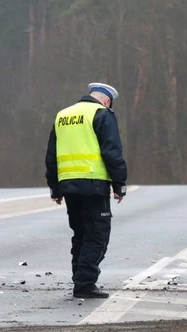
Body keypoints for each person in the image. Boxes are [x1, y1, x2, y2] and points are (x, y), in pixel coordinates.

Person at [45, 81, 128, 299]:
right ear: (107, 100)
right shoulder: (102, 114)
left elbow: (51, 155)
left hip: (69, 185)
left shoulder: (62, 115)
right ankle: (85, 283)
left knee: (80, 234)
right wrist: (120, 184)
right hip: (94, 184)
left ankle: (80, 281)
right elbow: (112, 152)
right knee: (97, 236)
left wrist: (54, 187)